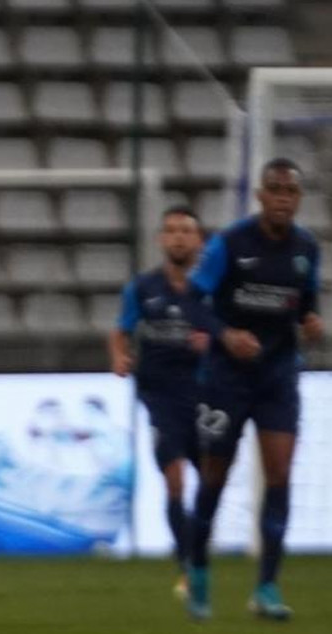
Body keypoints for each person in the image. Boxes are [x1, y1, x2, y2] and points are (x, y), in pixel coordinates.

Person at [185, 158, 324, 622]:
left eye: (291, 191)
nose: (283, 198)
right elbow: (192, 299)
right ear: (261, 196)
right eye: (275, 190)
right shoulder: (231, 243)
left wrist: (310, 320)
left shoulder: (307, 248)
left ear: (298, 199)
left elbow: (306, 304)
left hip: (278, 375)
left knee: (279, 474)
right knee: (214, 477)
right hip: (226, 377)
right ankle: (199, 566)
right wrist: (225, 335)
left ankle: (266, 586)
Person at [109, 206, 216, 599]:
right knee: (174, 480)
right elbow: (121, 331)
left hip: (206, 395)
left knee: (209, 484)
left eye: (186, 230)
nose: (178, 238)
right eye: (170, 230)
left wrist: (215, 343)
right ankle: (187, 564)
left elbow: (230, 334)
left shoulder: (211, 291)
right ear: (160, 239)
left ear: (199, 240)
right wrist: (119, 357)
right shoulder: (142, 288)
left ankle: (196, 555)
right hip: (160, 397)